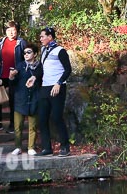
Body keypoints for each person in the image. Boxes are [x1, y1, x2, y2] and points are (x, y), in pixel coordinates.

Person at [37, 27, 72, 157]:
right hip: (45, 87)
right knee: (42, 118)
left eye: (42, 36)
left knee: (56, 117)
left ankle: (65, 147)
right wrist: (34, 77)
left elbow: (68, 70)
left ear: (50, 37)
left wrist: (59, 82)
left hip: (58, 86)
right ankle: (47, 148)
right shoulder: (43, 50)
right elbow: (42, 68)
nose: (40, 39)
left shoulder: (60, 51)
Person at [0, 21, 27, 132]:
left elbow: (26, 58)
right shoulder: (1, 42)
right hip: (1, 74)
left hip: (15, 76)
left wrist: (18, 69)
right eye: (9, 30)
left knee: (13, 100)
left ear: (17, 31)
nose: (11, 33)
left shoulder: (21, 43)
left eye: (14, 30)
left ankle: (13, 123)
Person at [10, 44, 41, 156]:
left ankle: (31, 147)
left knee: (33, 125)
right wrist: (12, 76)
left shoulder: (39, 66)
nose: (26, 54)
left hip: (34, 98)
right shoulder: (20, 65)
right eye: (24, 53)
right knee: (18, 126)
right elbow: (12, 83)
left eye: (29, 52)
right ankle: (18, 147)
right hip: (20, 98)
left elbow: (41, 76)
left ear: (35, 54)